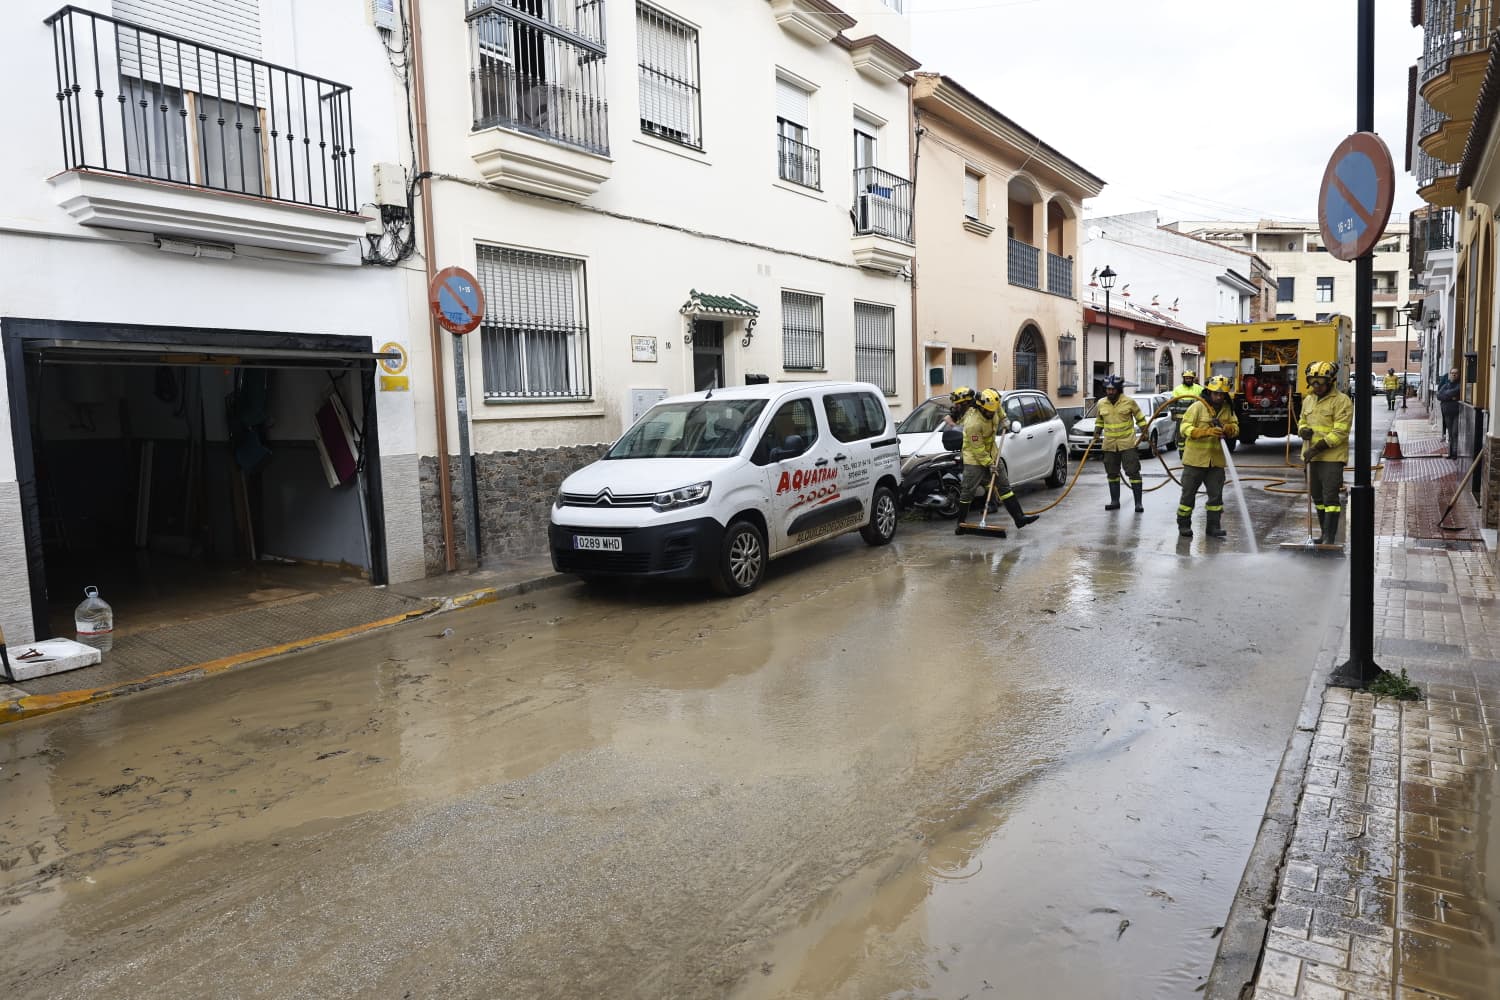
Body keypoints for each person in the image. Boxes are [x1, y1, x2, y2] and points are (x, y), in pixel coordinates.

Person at [956, 388, 1039, 533]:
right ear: (981, 408)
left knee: (1004, 487)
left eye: (994, 411)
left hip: (993, 453)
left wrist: (1004, 419)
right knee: (968, 491)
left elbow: (998, 408)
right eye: (989, 412)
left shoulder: (992, 407)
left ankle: (1019, 518)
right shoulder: (973, 424)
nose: (992, 413)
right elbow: (978, 449)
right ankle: (961, 525)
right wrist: (989, 464)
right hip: (974, 459)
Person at [1176, 375, 1239, 539]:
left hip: (1216, 462)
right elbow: (1184, 428)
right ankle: (1184, 525)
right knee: (1188, 495)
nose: (1219, 397)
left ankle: (1213, 527)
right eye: (1216, 394)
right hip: (1195, 461)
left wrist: (1228, 429)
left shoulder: (1228, 409)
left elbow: (1236, 427)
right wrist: (1205, 432)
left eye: (1222, 394)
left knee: (1216, 497)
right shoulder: (1197, 407)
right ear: (1209, 392)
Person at [1297, 361, 1353, 545]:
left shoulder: (1342, 401)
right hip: (1311, 458)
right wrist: (1303, 430)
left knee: (1330, 498)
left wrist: (1316, 448)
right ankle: (1323, 534)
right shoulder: (1308, 399)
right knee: (1318, 498)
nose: (1316, 386)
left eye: (1320, 382)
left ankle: (1330, 538)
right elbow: (1302, 421)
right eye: (1312, 381)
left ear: (1330, 381)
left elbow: (1340, 432)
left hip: (1331, 458)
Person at [1093, 375, 1149, 512]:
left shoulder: (1129, 402)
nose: (1110, 392)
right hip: (1109, 445)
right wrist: (1097, 432)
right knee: (1112, 473)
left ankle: (1138, 504)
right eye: (1108, 389)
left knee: (1133, 472)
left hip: (1127, 444)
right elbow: (1099, 420)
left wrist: (1144, 431)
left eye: (1113, 389)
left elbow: (1140, 418)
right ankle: (1115, 501)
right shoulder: (1101, 403)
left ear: (1118, 389)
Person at [1169, 370, 1204, 453]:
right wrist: (1173, 414)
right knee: (1181, 436)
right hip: (1180, 418)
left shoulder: (1199, 389)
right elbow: (1172, 403)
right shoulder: (1177, 389)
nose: (1188, 380)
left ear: (1193, 379)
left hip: (1195, 418)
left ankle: (1193, 452)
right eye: (1186, 378)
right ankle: (1182, 452)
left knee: (1194, 434)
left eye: (1190, 378)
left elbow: (1205, 401)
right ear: (1183, 379)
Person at [1438, 367, 1462, 460]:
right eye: (1452, 373)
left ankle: (1455, 453)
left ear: (1458, 375)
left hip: (1456, 412)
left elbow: (1456, 391)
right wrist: (1450, 397)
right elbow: (1439, 396)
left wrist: (1446, 395)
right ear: (1450, 374)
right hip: (1447, 413)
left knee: (1455, 433)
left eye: (1456, 373)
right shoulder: (1446, 385)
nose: (1454, 374)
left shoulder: (1460, 385)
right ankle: (1450, 453)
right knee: (1450, 433)